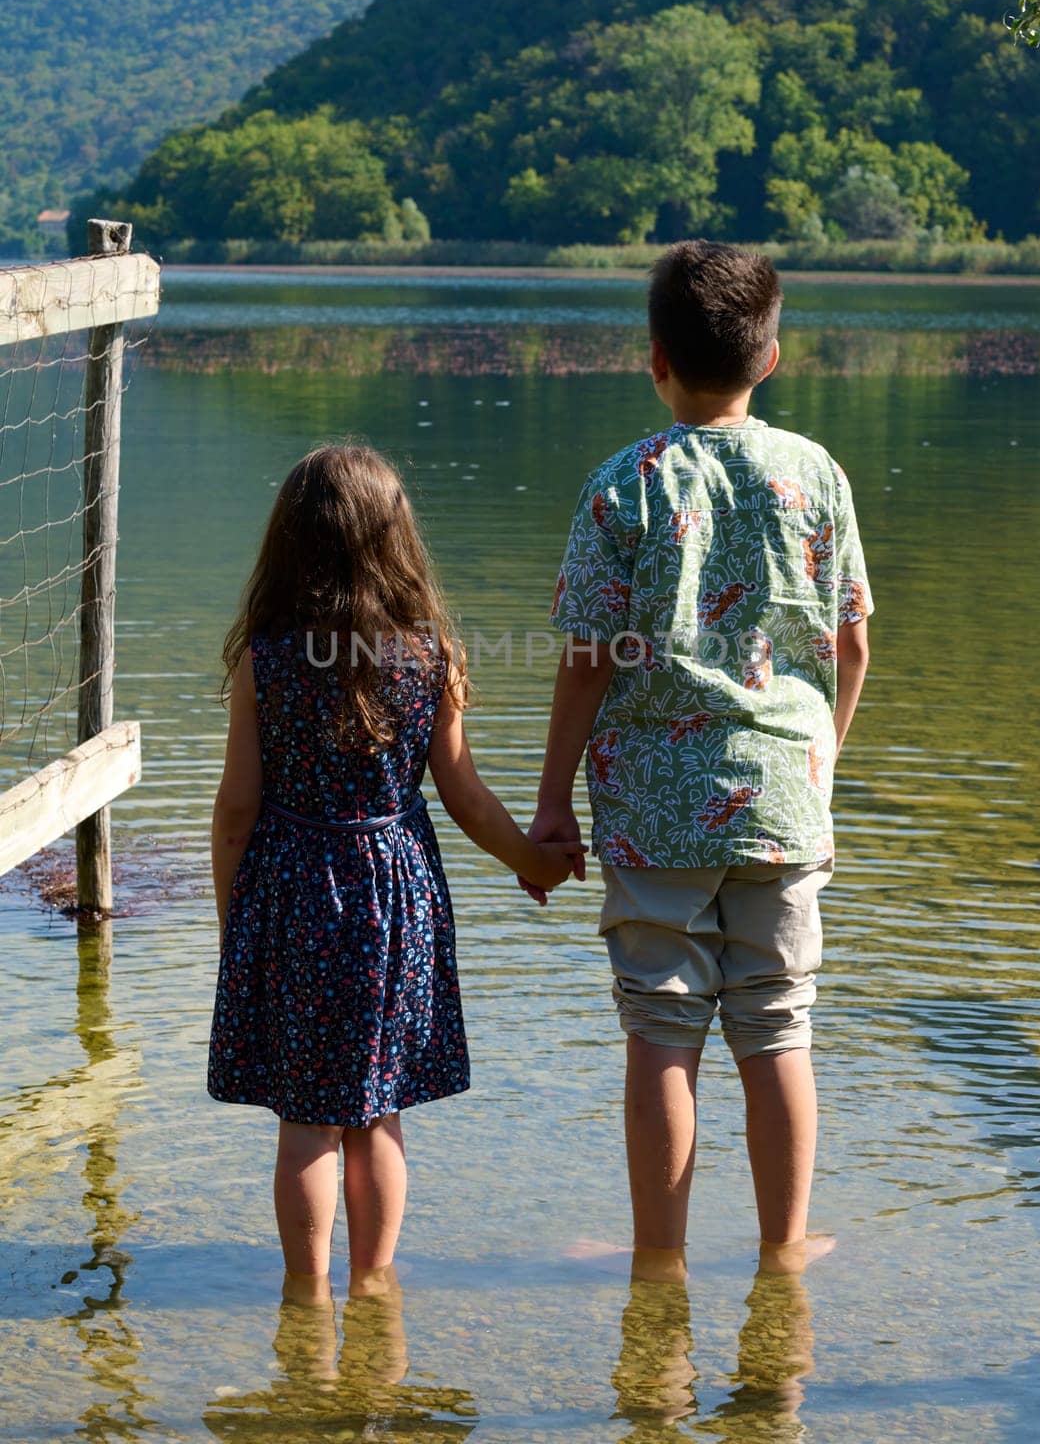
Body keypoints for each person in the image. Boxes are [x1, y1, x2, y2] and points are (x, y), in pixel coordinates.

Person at [529, 241, 872, 1277]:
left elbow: (587, 665)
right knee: (778, 1028)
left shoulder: (621, 487)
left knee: (662, 1034)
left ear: (655, 361)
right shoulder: (815, 474)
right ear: (771, 358)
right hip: (784, 800)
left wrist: (551, 806)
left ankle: (659, 1259)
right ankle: (782, 1252)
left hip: (654, 810)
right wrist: (820, 758)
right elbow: (853, 640)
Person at [208, 443, 582, 1296]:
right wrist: (535, 860)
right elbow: (467, 798)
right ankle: (374, 1288)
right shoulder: (430, 657)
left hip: (293, 890)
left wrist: (235, 924)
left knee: (306, 1119)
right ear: (397, 543)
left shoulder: (263, 661)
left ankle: (304, 1298)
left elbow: (236, 809)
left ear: (288, 543)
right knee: (378, 1110)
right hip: (395, 897)